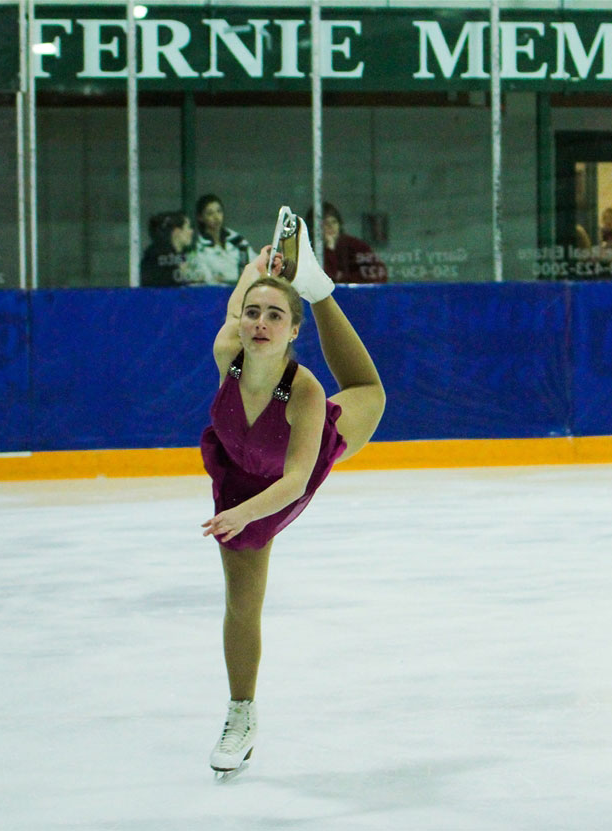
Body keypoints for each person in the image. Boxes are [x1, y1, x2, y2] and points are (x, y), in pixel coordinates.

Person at [199, 206, 385, 778]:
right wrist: (257, 268)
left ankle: (319, 290)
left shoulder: (304, 391)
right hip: (241, 477)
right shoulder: (227, 352)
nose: (259, 322)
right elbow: (236, 305)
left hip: (287, 473)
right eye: (254, 313)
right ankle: (242, 715)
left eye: (275, 315)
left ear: (292, 330)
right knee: (241, 605)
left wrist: (240, 516)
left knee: (367, 390)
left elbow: (297, 482)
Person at [305, 203, 388, 284]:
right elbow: (326, 282)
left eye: (334, 222)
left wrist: (345, 279)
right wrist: (330, 249)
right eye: (325, 223)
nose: (330, 226)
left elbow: (380, 275)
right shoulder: (308, 250)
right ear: (313, 228)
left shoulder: (355, 246)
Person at [193, 194, 254, 285]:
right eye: (210, 213)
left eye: (219, 211)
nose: (216, 217)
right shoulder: (198, 246)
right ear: (200, 218)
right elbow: (204, 277)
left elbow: (253, 261)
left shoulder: (236, 239)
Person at [140, 211, 211, 287]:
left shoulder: (186, 255)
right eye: (188, 227)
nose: (191, 231)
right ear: (177, 232)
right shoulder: (155, 256)